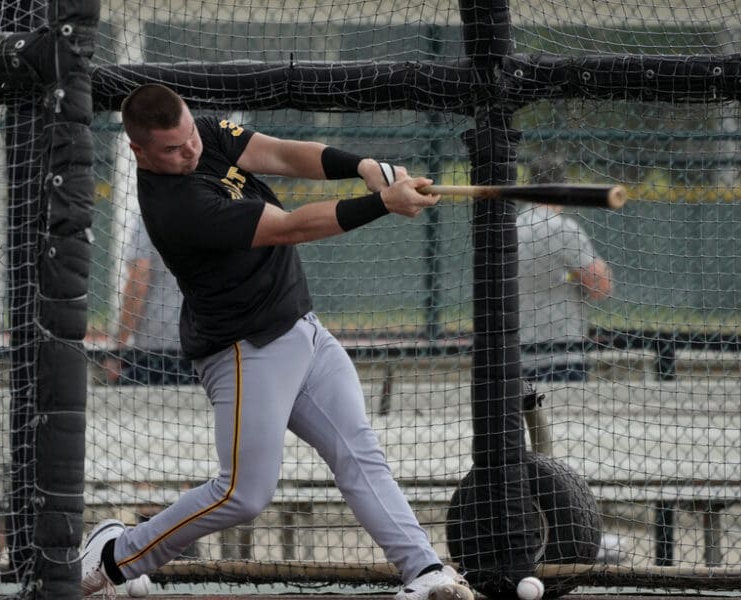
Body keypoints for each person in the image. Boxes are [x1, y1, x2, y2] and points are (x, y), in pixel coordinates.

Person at [79, 83, 473, 600]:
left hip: (303, 331)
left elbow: (285, 154)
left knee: (360, 454)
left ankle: (424, 572)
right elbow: (288, 227)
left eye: (189, 137)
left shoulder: (207, 133)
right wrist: (380, 202)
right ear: (139, 150)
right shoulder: (177, 205)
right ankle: (115, 556)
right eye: (172, 149)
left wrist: (364, 165)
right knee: (243, 494)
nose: (189, 151)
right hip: (247, 350)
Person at [516, 156, 619, 562]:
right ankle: (575, 535)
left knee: (524, 451)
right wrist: (575, 276)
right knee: (565, 450)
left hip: (514, 355)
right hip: (559, 353)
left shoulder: (509, 225)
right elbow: (601, 285)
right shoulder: (560, 228)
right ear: (560, 189)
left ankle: (531, 532)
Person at [102, 213, 197, 385]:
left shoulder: (154, 210)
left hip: (156, 350)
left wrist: (118, 346)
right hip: (204, 345)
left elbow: (138, 281)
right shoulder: (211, 208)